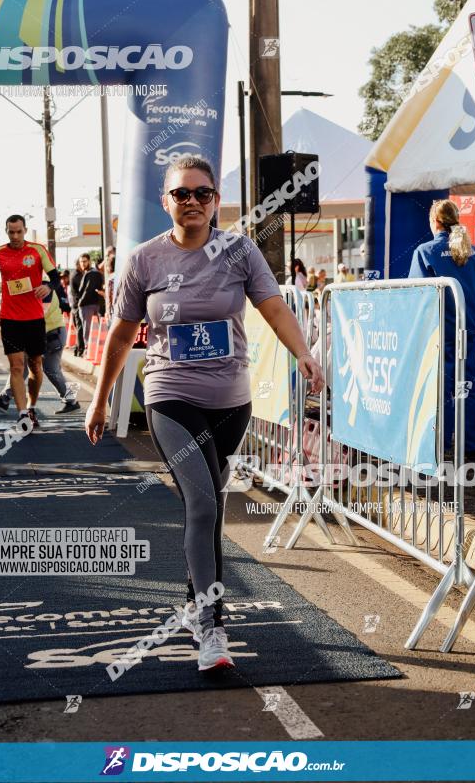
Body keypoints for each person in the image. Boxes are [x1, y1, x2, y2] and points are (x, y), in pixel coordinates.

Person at [85, 155, 324, 673]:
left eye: (202, 193)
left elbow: (274, 307)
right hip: (170, 396)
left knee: (210, 503)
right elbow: (124, 334)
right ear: (166, 200)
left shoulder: (238, 251)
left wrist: (302, 351)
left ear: (215, 199)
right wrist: (101, 397)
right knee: (200, 500)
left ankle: (195, 598)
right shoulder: (144, 261)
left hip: (231, 403)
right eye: (181, 194)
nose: (192, 202)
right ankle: (212, 627)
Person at [409, 199, 475, 459]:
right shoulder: (473, 252)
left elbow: (415, 296)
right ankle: (471, 445)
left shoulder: (425, 251)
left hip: (440, 334)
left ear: (436, 222)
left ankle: (438, 444)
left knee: (439, 389)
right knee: (468, 387)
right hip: (470, 332)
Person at [0, 214, 62, 429]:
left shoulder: (37, 250)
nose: (15, 236)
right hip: (10, 318)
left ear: (25, 230)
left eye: (19, 231)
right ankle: (22, 415)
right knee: (16, 366)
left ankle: (31, 406)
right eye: (11, 232)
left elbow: (56, 277)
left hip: (34, 319)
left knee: (36, 367)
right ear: (6, 231)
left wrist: (48, 286)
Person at [0, 290, 80, 415]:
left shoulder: (43, 290)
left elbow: (34, 315)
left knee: (51, 370)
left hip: (52, 335)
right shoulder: (32, 288)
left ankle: (71, 401)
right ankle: (4, 399)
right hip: (44, 334)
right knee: (23, 366)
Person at [77, 253, 103, 353]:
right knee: (96, 329)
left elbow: (88, 290)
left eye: (84, 261)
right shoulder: (95, 273)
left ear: (89, 261)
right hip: (96, 304)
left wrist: (80, 302)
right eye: (81, 262)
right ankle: (94, 350)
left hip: (87, 305)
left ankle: (89, 350)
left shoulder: (91, 273)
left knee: (87, 329)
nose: (82, 264)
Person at [69, 258, 85, 357]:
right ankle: (79, 349)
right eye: (81, 263)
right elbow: (81, 290)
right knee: (80, 328)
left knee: (79, 328)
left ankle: (77, 349)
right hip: (78, 304)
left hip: (76, 304)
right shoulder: (77, 275)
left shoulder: (75, 274)